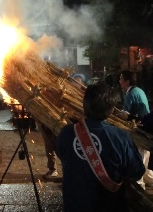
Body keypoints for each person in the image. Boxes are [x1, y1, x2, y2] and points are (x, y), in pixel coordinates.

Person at [56, 82, 144, 211]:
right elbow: (136, 171)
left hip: (75, 205)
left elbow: (61, 155)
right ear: (112, 109)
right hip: (110, 205)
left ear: (84, 105)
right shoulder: (120, 137)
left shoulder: (67, 133)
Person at [116, 70, 153, 189]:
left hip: (140, 127)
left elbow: (126, 113)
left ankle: (139, 184)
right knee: (145, 155)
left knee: (139, 155)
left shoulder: (131, 93)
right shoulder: (138, 90)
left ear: (127, 81)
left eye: (121, 78)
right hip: (146, 126)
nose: (119, 81)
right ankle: (150, 180)